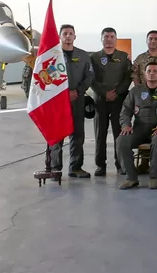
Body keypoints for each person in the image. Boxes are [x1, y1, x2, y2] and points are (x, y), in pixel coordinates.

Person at [117, 62, 157, 189]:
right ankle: (131, 177)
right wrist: (126, 125)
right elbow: (126, 110)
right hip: (139, 129)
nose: (152, 73)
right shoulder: (135, 91)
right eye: (149, 71)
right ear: (144, 74)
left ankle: (154, 176)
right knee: (121, 140)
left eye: (155, 71)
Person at [49, 24, 95, 178]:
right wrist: (63, 93)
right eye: (65, 33)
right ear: (60, 36)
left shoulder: (82, 56)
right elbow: (48, 75)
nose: (68, 36)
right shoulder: (53, 56)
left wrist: (78, 91)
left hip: (77, 100)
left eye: (70, 33)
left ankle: (75, 167)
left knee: (77, 134)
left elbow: (89, 76)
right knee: (56, 135)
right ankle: (55, 168)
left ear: (75, 36)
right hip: (58, 102)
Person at [89, 27, 132, 176]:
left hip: (118, 101)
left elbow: (128, 77)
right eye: (106, 36)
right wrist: (103, 93)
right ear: (101, 39)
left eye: (112, 36)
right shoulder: (93, 58)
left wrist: (117, 92)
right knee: (99, 134)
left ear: (116, 39)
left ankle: (120, 164)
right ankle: (100, 165)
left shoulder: (123, 56)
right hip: (100, 100)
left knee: (118, 134)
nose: (109, 39)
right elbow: (91, 78)